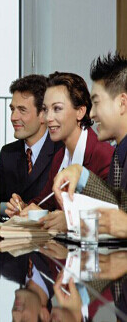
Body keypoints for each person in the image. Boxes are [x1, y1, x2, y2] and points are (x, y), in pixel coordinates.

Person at [6, 72, 114, 232]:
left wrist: (52, 217)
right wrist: (24, 207)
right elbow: (44, 202)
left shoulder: (103, 155)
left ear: (80, 111)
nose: (48, 118)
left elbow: (112, 216)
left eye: (57, 109)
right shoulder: (60, 157)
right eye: (45, 109)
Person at [53, 53, 127, 233]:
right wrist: (81, 174)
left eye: (96, 103)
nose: (92, 115)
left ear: (122, 103)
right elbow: (119, 206)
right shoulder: (119, 152)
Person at [0, 74, 63, 205]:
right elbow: (1, 204)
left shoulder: (62, 151)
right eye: (12, 109)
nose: (13, 117)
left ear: (43, 115)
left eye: (22, 110)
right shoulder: (8, 153)